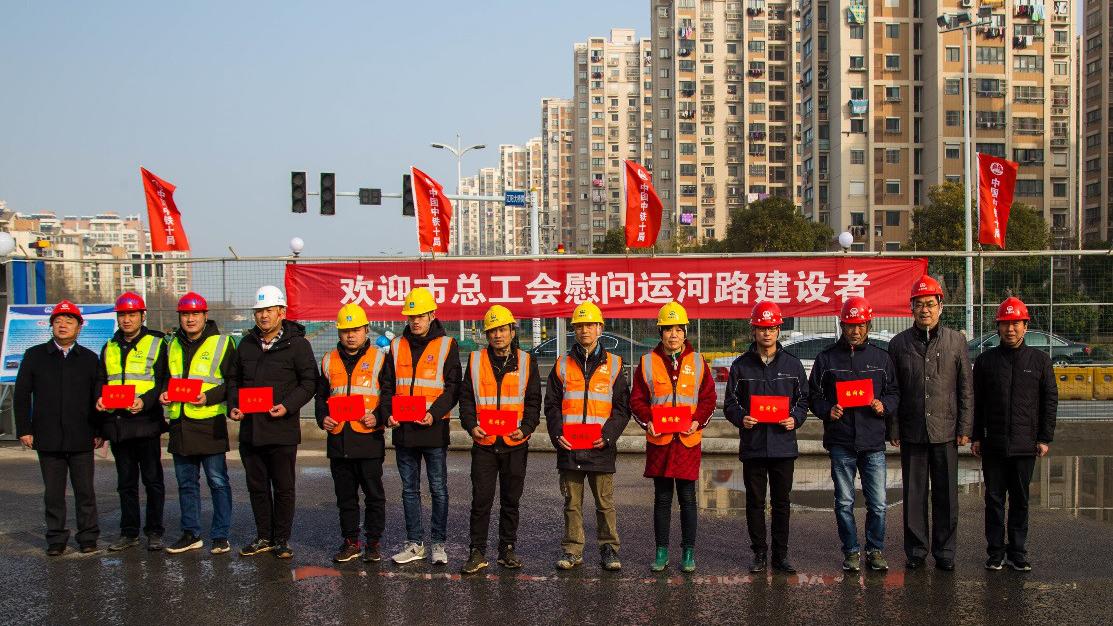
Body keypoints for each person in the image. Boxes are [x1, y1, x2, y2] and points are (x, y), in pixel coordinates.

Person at [887, 276, 973, 571]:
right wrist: (894, 427)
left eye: (930, 304)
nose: (925, 310)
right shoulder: (899, 344)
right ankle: (916, 550)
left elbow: (965, 388)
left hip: (945, 430)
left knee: (946, 495)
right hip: (912, 430)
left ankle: (945, 551)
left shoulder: (955, 341)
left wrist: (965, 427)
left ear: (940, 306)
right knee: (914, 495)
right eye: (919, 304)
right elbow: (893, 390)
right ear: (911, 308)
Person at [809, 296, 900, 573]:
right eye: (850, 325)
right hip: (841, 441)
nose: (855, 330)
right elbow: (814, 395)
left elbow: (894, 392)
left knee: (878, 503)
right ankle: (850, 551)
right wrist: (828, 410)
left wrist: (884, 406)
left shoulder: (881, 359)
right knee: (844, 502)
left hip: (873, 441)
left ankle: (875, 550)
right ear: (842, 325)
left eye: (861, 325)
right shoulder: (826, 359)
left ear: (869, 326)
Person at [230, 285, 317, 559]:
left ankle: (281, 539)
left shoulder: (298, 345)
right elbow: (233, 380)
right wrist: (233, 406)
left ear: (281, 312)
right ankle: (263, 536)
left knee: (283, 487)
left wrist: (288, 405)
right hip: (251, 431)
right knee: (257, 487)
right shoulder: (246, 344)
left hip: (281, 429)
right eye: (259, 311)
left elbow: (309, 382)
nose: (263, 316)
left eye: (268, 310)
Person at [972, 297, 1057, 572]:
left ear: (1025, 326)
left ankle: (1017, 553)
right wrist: (976, 436)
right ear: (998, 327)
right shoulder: (985, 362)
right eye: (1005, 324)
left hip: (1025, 445)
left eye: (1016, 323)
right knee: (994, 501)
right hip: (994, 445)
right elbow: (977, 402)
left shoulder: (1040, 361)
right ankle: (995, 552)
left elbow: (1049, 401)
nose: (1011, 329)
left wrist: (1044, 438)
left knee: (1020, 500)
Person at [723, 301, 808, 575]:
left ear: (779, 329)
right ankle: (759, 553)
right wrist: (742, 418)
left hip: (783, 446)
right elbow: (730, 403)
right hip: (754, 445)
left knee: (781, 503)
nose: (767, 333)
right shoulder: (741, 366)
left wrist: (795, 418)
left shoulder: (793, 365)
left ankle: (780, 556)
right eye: (762, 328)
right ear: (754, 330)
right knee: (755, 502)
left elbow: (803, 400)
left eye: (771, 328)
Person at [545, 301, 631, 572]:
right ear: (574, 330)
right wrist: (557, 434)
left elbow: (622, 408)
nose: (585, 330)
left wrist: (608, 436)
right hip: (569, 447)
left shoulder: (614, 364)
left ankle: (609, 549)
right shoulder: (562, 365)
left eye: (590, 325)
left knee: (605, 504)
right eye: (580, 326)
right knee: (572, 503)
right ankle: (572, 550)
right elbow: (551, 405)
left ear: (600, 328)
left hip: (600, 446)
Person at [630, 301, 715, 574]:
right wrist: (648, 422)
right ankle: (661, 551)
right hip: (661, 441)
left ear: (685, 332)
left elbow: (708, 399)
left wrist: (697, 420)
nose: (673, 335)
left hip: (688, 440)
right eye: (668, 329)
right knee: (662, 498)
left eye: (678, 329)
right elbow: (637, 400)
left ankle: (688, 552)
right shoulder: (647, 362)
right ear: (660, 332)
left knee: (688, 498)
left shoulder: (698, 362)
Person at [457, 305, 541, 575]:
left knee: (510, 500)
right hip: (484, 443)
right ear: (486, 335)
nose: (497, 335)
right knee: (481, 500)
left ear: (512, 331)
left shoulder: (526, 361)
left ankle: (507, 549)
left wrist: (526, 428)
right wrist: (471, 426)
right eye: (492, 331)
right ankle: (477, 551)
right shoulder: (475, 361)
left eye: (502, 329)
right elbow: (466, 400)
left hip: (515, 444)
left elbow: (533, 402)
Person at [15, 300, 101, 555]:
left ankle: (87, 537)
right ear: (51, 325)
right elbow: (22, 395)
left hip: (82, 436)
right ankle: (56, 539)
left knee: (85, 492)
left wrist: (99, 431)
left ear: (79, 327)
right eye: (58, 321)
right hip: (48, 436)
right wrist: (24, 429)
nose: (63, 325)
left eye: (69, 321)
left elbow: (97, 397)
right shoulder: (34, 356)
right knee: (53, 493)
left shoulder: (89, 358)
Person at [383, 287, 461, 566]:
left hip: (433, 430)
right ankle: (415, 543)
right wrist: (387, 414)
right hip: (404, 431)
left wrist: (434, 414)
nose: (415, 321)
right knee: (409, 490)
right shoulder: (396, 346)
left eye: (420, 315)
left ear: (432, 315)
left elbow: (453, 387)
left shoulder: (447, 345)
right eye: (411, 316)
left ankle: (438, 543)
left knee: (438, 489)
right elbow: (387, 386)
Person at [160, 292, 237, 555]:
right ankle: (191, 533)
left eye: (195, 314)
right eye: (185, 314)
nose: (190, 319)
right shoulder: (172, 344)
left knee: (218, 481)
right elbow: (166, 377)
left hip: (209, 423)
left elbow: (232, 382)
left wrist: (209, 397)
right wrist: (164, 392)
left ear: (205, 316)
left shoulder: (222, 343)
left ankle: (220, 535)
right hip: (180, 424)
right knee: (186, 484)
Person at [316, 304, 391, 564]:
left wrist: (378, 416)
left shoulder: (380, 358)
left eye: (356, 330)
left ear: (366, 330)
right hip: (339, 439)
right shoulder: (328, 360)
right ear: (339, 332)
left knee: (374, 496)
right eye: (346, 330)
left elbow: (388, 395)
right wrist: (322, 418)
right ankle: (350, 542)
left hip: (368, 438)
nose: (350, 335)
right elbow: (321, 397)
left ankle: (373, 543)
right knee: (345, 498)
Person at [96, 291, 169, 552]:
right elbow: (102, 380)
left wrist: (145, 401)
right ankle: (129, 532)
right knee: (125, 483)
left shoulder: (157, 343)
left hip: (146, 423)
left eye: (132, 314)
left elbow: (163, 380)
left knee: (153, 481)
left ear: (142, 316)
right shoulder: (109, 346)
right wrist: (100, 399)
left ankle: (154, 531)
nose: (127, 320)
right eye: (122, 315)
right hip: (119, 425)